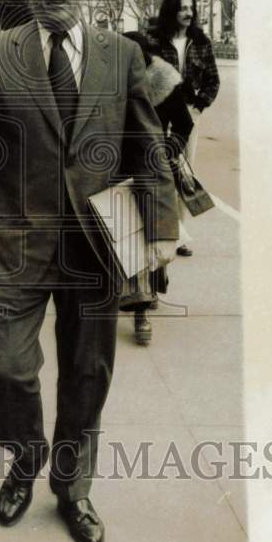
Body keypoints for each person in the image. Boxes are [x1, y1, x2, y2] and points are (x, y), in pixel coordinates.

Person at [0, 0, 178, 542]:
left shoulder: (122, 54)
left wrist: (159, 228)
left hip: (98, 246)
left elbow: (147, 145)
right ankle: (25, 458)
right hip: (13, 245)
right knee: (8, 369)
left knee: (88, 373)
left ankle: (73, 489)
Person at [121, 31, 195, 345]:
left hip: (153, 169)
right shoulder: (110, 81)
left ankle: (142, 310)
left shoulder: (166, 82)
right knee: (129, 238)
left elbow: (184, 124)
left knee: (154, 236)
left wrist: (169, 149)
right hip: (118, 168)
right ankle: (139, 300)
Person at [149, 0, 220, 257]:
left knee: (182, 171)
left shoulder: (201, 41)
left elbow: (213, 81)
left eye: (191, 8)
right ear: (171, 11)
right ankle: (155, 230)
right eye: (182, 8)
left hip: (187, 116)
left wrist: (199, 107)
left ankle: (178, 234)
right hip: (157, 114)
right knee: (157, 170)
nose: (189, 13)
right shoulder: (154, 39)